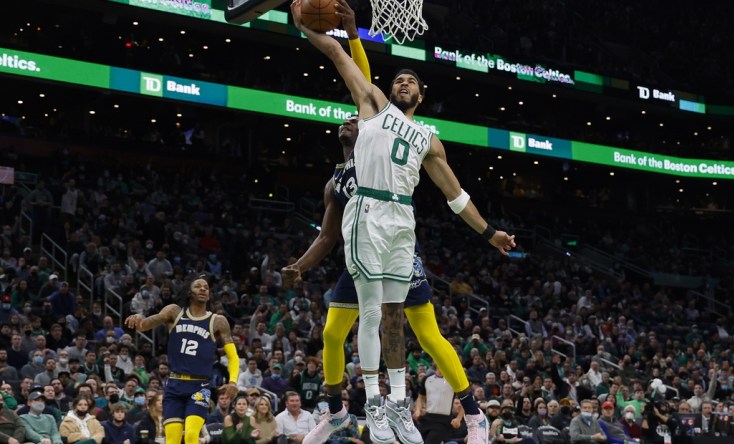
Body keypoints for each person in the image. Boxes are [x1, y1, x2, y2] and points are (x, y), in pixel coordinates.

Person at [286, 3, 504, 444]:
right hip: (366, 218)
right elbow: (344, 61)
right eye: (397, 79)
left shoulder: (427, 138)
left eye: (412, 81)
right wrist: (307, 26)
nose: (403, 82)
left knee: (405, 324)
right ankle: (362, 407)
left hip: (401, 220)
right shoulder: (371, 113)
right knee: (349, 326)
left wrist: (488, 232)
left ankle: (426, 408)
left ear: (420, 97)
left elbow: (456, 196)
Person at [125, 276, 240, 444]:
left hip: (199, 386)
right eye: (198, 286)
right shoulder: (174, 312)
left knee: (192, 435)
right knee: (172, 439)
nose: (203, 289)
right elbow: (145, 325)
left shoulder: (218, 321)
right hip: (174, 385)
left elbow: (233, 355)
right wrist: (139, 318)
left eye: (206, 287)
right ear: (189, 292)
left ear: (209, 295)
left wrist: (233, 381)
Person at [413, 367, 457, 444]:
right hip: (427, 418)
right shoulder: (427, 378)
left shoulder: (454, 380)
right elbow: (421, 397)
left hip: (443, 420)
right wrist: (417, 410)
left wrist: (459, 418)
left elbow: (466, 398)